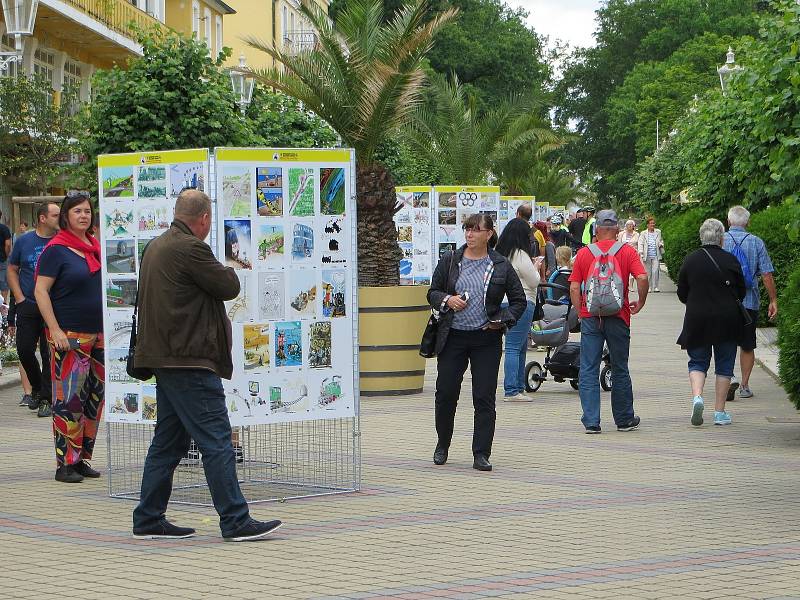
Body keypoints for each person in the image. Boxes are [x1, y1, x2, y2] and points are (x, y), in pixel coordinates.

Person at [132, 189, 282, 541]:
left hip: (166, 357)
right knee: (217, 439)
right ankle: (235, 519)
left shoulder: (156, 245)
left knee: (168, 442)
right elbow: (227, 284)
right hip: (188, 359)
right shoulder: (191, 248)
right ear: (204, 219)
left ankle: (148, 518)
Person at [427, 213, 526, 472]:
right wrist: (447, 300)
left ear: (489, 234)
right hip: (453, 337)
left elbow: (519, 302)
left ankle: (481, 453)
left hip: (486, 339)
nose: (469, 234)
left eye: (475, 230)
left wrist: (501, 320)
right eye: (466, 229)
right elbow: (433, 292)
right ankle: (442, 444)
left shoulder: (501, 264)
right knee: (446, 394)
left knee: (483, 397)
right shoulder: (450, 261)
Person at [34, 191, 104, 484]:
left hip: (99, 335)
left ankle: (82, 458)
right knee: (69, 400)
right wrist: (56, 330)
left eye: (87, 211)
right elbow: (40, 291)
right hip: (70, 336)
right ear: (65, 217)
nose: (84, 216)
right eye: (77, 211)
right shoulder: (56, 249)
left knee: (94, 399)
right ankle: (65, 463)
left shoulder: (95, 247)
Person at [569, 209, 648, 434]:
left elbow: (574, 286)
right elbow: (642, 277)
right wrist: (640, 302)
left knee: (588, 368)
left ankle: (592, 422)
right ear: (616, 229)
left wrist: (581, 310)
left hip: (591, 317)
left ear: (597, 230)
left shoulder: (584, 254)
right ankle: (624, 420)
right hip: (619, 316)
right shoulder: (627, 252)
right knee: (620, 367)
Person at [677, 218, 746, 427]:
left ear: (701, 236)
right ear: (721, 238)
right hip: (727, 320)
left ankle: (697, 397)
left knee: (697, 362)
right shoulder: (730, 260)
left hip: (698, 318)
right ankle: (719, 412)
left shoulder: (690, 260)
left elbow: (682, 293)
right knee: (724, 366)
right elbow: (741, 291)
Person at [8, 201, 60, 418]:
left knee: (49, 354)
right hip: (28, 305)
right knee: (24, 350)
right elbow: (12, 269)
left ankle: (47, 399)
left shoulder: (61, 241)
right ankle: (38, 389)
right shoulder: (25, 241)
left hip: (52, 306)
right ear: (43, 218)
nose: (61, 218)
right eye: (56, 215)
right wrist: (19, 298)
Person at [723, 205, 778, 399]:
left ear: (728, 221)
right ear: (747, 222)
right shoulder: (756, 242)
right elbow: (766, 274)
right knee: (747, 345)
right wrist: (773, 299)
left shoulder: (720, 240)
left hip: (724, 302)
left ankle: (727, 378)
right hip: (749, 302)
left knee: (725, 341)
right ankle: (744, 386)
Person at [495, 218, 542, 401]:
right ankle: (512, 390)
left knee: (520, 346)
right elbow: (534, 281)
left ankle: (519, 387)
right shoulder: (520, 255)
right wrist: (536, 267)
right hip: (521, 302)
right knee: (514, 347)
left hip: (503, 302)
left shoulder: (500, 254)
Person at [637, 217, 664, 292]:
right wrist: (641, 252)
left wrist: (661, 244)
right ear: (647, 225)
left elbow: (661, 240)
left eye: (653, 223)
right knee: (647, 272)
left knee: (655, 271)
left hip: (656, 254)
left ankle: (655, 287)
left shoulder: (658, 232)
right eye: (651, 223)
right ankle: (648, 287)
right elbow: (640, 243)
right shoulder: (643, 233)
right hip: (646, 255)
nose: (653, 224)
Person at [0, 210, 12, 304]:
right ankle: (3, 305)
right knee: (4, 282)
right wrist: (7, 255)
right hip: (2, 259)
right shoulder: (4, 229)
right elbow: (8, 244)